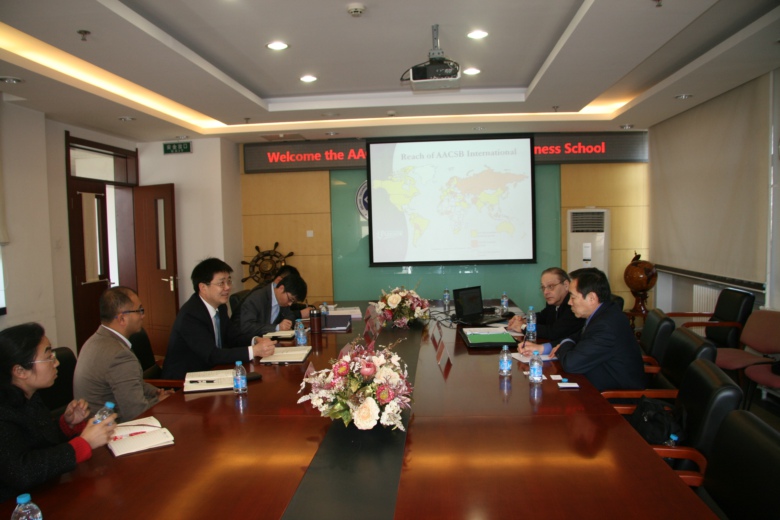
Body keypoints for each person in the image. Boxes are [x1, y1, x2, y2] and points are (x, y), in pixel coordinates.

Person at [0, 323, 116, 502]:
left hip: (46, 489)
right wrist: (84, 443)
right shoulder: (3, 412)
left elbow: (37, 442)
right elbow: (22, 472)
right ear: (20, 371)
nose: (56, 363)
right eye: (49, 357)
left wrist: (66, 425)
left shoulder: (29, 396)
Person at [519, 268, 644, 391]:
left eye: (573, 297)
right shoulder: (602, 314)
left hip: (613, 397)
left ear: (591, 298)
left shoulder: (606, 325)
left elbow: (571, 364)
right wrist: (542, 348)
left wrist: (563, 345)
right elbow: (577, 337)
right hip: (593, 382)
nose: (569, 303)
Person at [161, 258, 277, 379]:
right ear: (203, 287)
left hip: (213, 371)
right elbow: (211, 355)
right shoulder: (191, 315)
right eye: (221, 283)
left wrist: (255, 341)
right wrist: (254, 351)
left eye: (229, 281)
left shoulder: (220, 307)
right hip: (185, 380)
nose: (227, 287)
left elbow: (233, 337)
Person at [73, 287, 173, 423]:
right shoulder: (119, 355)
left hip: (95, 423)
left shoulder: (95, 340)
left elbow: (134, 383)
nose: (143, 315)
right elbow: (137, 413)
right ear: (122, 318)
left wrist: (155, 392)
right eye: (139, 310)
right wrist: (160, 401)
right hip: (111, 428)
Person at [507, 267, 585, 346]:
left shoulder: (574, 305)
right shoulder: (553, 302)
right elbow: (542, 317)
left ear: (566, 285)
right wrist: (524, 320)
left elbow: (554, 332)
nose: (545, 292)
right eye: (543, 287)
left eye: (551, 286)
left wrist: (523, 327)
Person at [235, 271, 308, 341]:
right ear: (281, 288)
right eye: (290, 299)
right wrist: (277, 327)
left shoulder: (282, 300)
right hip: (253, 344)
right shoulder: (257, 298)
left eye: (293, 302)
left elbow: (290, 314)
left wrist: (287, 322)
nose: (290, 304)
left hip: (271, 342)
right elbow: (247, 326)